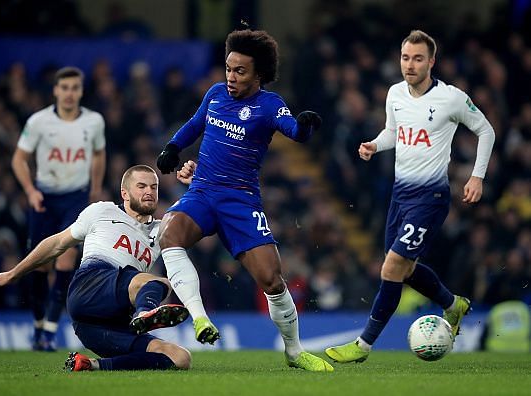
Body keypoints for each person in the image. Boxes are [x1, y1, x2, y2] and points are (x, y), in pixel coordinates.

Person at [155, 29, 333, 372]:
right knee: (169, 234)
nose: (231, 77)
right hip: (203, 192)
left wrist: (306, 127)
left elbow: (293, 130)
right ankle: (200, 317)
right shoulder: (216, 94)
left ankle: (294, 352)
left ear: (259, 74)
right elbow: (195, 124)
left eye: (240, 71)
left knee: (272, 280)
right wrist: (173, 148)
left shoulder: (269, 105)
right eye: (228, 68)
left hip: (241, 201)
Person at [325, 30, 495, 363]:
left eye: (418, 58)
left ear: (432, 61)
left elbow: (485, 129)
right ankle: (452, 304)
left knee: (391, 268)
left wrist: (477, 176)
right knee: (402, 269)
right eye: (405, 58)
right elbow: (394, 131)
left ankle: (362, 346)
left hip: (430, 197)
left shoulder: (451, 98)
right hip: (399, 195)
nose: (410, 65)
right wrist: (376, 144)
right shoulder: (394, 94)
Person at [0, 165, 192, 371]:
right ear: (125, 193)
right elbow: (57, 243)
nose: (149, 192)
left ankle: (91, 365)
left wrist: (197, 186)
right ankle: (144, 314)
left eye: (154, 187)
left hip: (97, 326)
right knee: (157, 282)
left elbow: (197, 220)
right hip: (90, 286)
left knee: (180, 357)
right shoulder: (102, 210)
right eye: (142, 186)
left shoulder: (161, 230)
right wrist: (14, 273)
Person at [11, 66, 106, 351]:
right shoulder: (39, 121)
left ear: (81, 90)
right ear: (55, 90)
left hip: (75, 198)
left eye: (75, 88)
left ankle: (50, 331)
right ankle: (39, 325)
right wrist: (30, 191)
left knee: (65, 259)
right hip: (44, 198)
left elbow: (99, 154)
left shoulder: (94, 121)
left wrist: (95, 188)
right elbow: (19, 159)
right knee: (41, 264)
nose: (69, 93)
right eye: (64, 88)